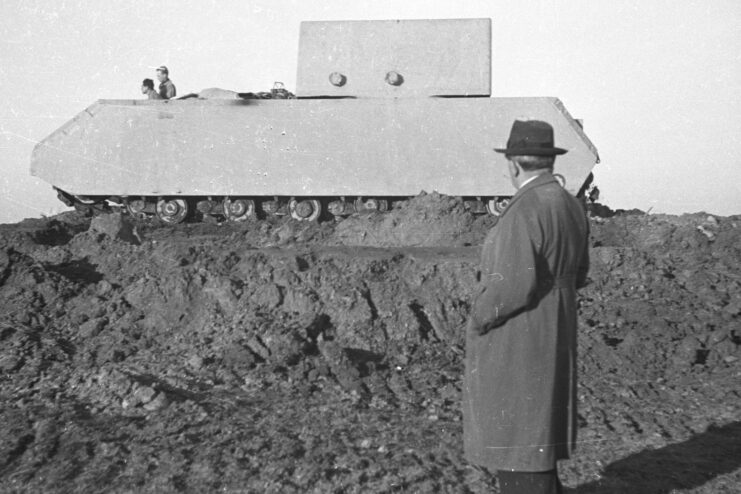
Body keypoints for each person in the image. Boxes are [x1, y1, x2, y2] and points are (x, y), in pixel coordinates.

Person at [463, 120, 590, 494]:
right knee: (540, 425)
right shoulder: (569, 204)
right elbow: (580, 271)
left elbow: (512, 286)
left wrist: (478, 319)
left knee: (518, 430)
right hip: (558, 321)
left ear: (514, 164)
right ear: (549, 162)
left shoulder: (524, 210)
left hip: (522, 331)